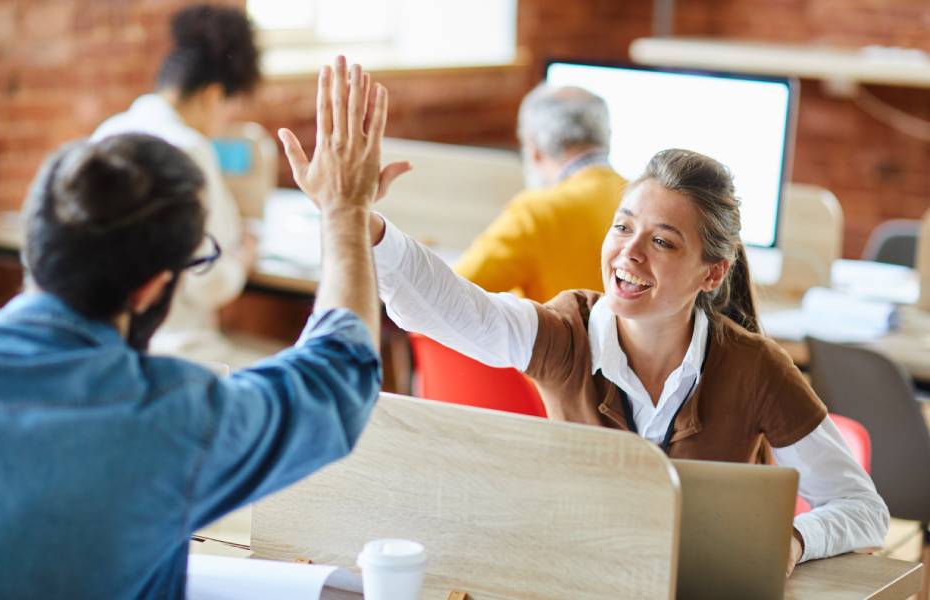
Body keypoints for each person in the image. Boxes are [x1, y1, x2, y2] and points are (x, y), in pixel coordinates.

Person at [0, 57, 392, 597]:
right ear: (151, 288)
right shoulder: (171, 417)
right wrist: (344, 211)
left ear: (34, 245)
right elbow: (341, 376)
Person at [371, 148, 889, 574]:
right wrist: (365, 225)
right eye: (622, 227)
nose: (630, 253)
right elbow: (457, 308)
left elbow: (864, 511)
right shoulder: (565, 332)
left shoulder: (755, 367)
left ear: (711, 274)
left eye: (662, 241)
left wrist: (794, 540)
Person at [92, 4, 274, 367]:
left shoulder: (108, 132)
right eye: (229, 111)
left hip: (106, 343)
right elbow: (210, 281)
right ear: (212, 95)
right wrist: (243, 258)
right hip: (174, 350)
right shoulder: (190, 149)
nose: (225, 126)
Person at [453, 84, 627, 302]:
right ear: (607, 137)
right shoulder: (642, 200)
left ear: (533, 149)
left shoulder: (536, 211)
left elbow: (447, 298)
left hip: (563, 336)